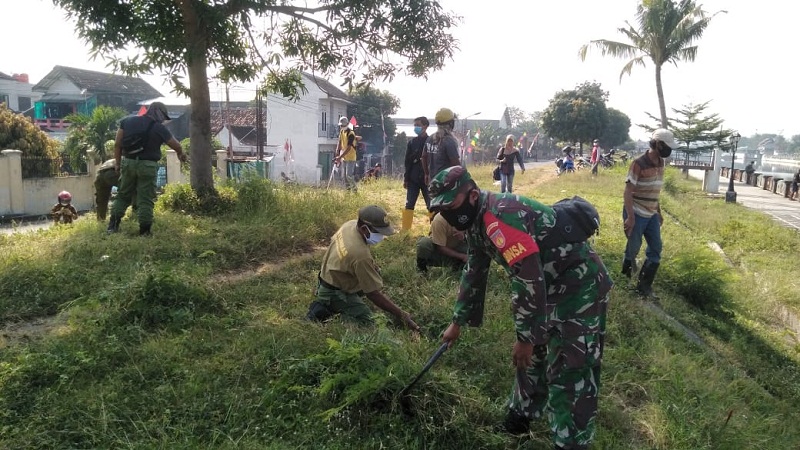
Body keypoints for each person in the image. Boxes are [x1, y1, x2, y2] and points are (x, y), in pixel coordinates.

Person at [429, 166, 612, 450]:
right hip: (548, 284)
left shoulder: (499, 218)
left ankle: (571, 442)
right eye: (442, 210)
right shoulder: (476, 222)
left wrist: (525, 337)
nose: (449, 216)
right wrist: (457, 321)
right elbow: (474, 270)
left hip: (578, 287)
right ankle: (521, 416)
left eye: (452, 206)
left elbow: (528, 279)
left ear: (473, 196)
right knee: (531, 360)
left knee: (570, 367)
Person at [305, 205, 420, 331]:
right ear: (364, 228)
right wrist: (402, 315)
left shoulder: (350, 225)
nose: (382, 237)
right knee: (371, 324)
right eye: (379, 233)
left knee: (375, 273)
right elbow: (373, 294)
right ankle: (329, 311)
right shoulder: (360, 255)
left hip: (328, 275)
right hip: (334, 291)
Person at [107, 102, 187, 236]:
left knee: (123, 195)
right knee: (145, 199)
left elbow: (117, 144)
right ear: (159, 114)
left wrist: (118, 163)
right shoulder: (159, 128)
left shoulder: (127, 121)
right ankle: (144, 231)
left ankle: (112, 227)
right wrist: (180, 154)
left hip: (128, 163)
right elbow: (176, 145)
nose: (163, 120)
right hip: (148, 166)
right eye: (163, 117)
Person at [621, 128, 676, 298]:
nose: (669, 150)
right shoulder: (638, 163)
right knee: (633, 249)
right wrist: (630, 217)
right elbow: (627, 192)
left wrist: (658, 212)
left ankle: (644, 287)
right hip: (636, 212)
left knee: (656, 248)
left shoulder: (661, 163)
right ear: (658, 144)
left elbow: (655, 190)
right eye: (667, 146)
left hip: (651, 213)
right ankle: (625, 282)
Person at [402, 116, 432, 230]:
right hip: (413, 179)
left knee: (431, 206)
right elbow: (407, 162)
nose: (416, 127)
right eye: (415, 125)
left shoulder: (431, 142)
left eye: (418, 125)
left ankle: (434, 230)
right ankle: (405, 230)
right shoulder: (412, 143)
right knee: (409, 205)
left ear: (425, 126)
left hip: (427, 180)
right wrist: (406, 179)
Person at [422, 107, 460, 188]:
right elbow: (455, 164)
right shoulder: (449, 141)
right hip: (446, 183)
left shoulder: (430, 139)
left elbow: (423, 157)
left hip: (433, 182)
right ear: (451, 124)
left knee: (434, 201)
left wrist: (426, 174)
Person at [333, 116, 358, 191]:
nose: (341, 126)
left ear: (346, 124)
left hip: (351, 157)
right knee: (344, 177)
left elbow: (349, 148)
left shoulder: (351, 133)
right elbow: (339, 142)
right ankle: (348, 192)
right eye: (340, 125)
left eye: (342, 125)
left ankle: (355, 190)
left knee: (348, 176)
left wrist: (340, 157)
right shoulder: (341, 131)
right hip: (344, 157)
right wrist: (337, 151)